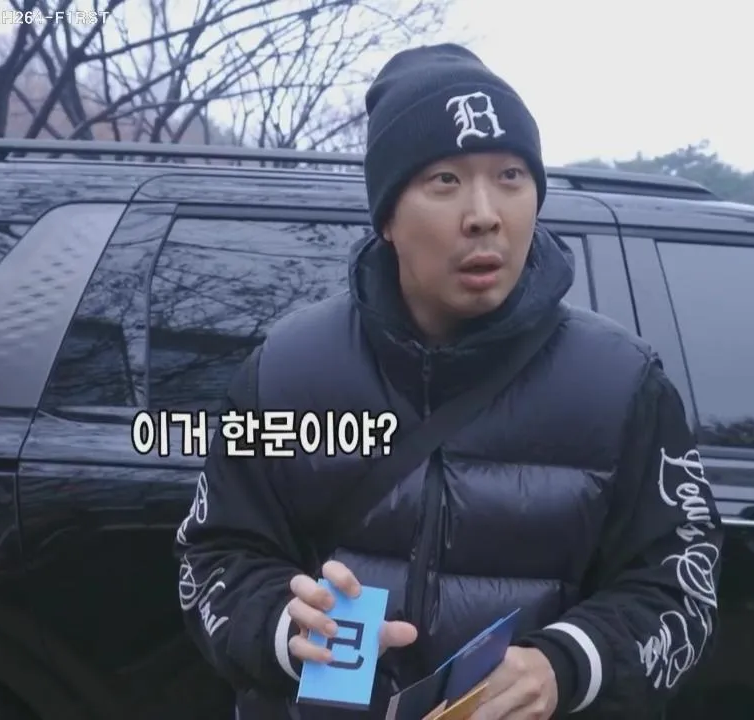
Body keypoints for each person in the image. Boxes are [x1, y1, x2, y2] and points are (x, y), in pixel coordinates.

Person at [175, 43, 723, 719]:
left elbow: (679, 583)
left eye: (511, 176)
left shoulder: (622, 383)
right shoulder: (287, 370)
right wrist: (285, 627)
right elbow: (216, 554)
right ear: (387, 217)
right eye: (444, 180)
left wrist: (566, 664)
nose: (484, 213)